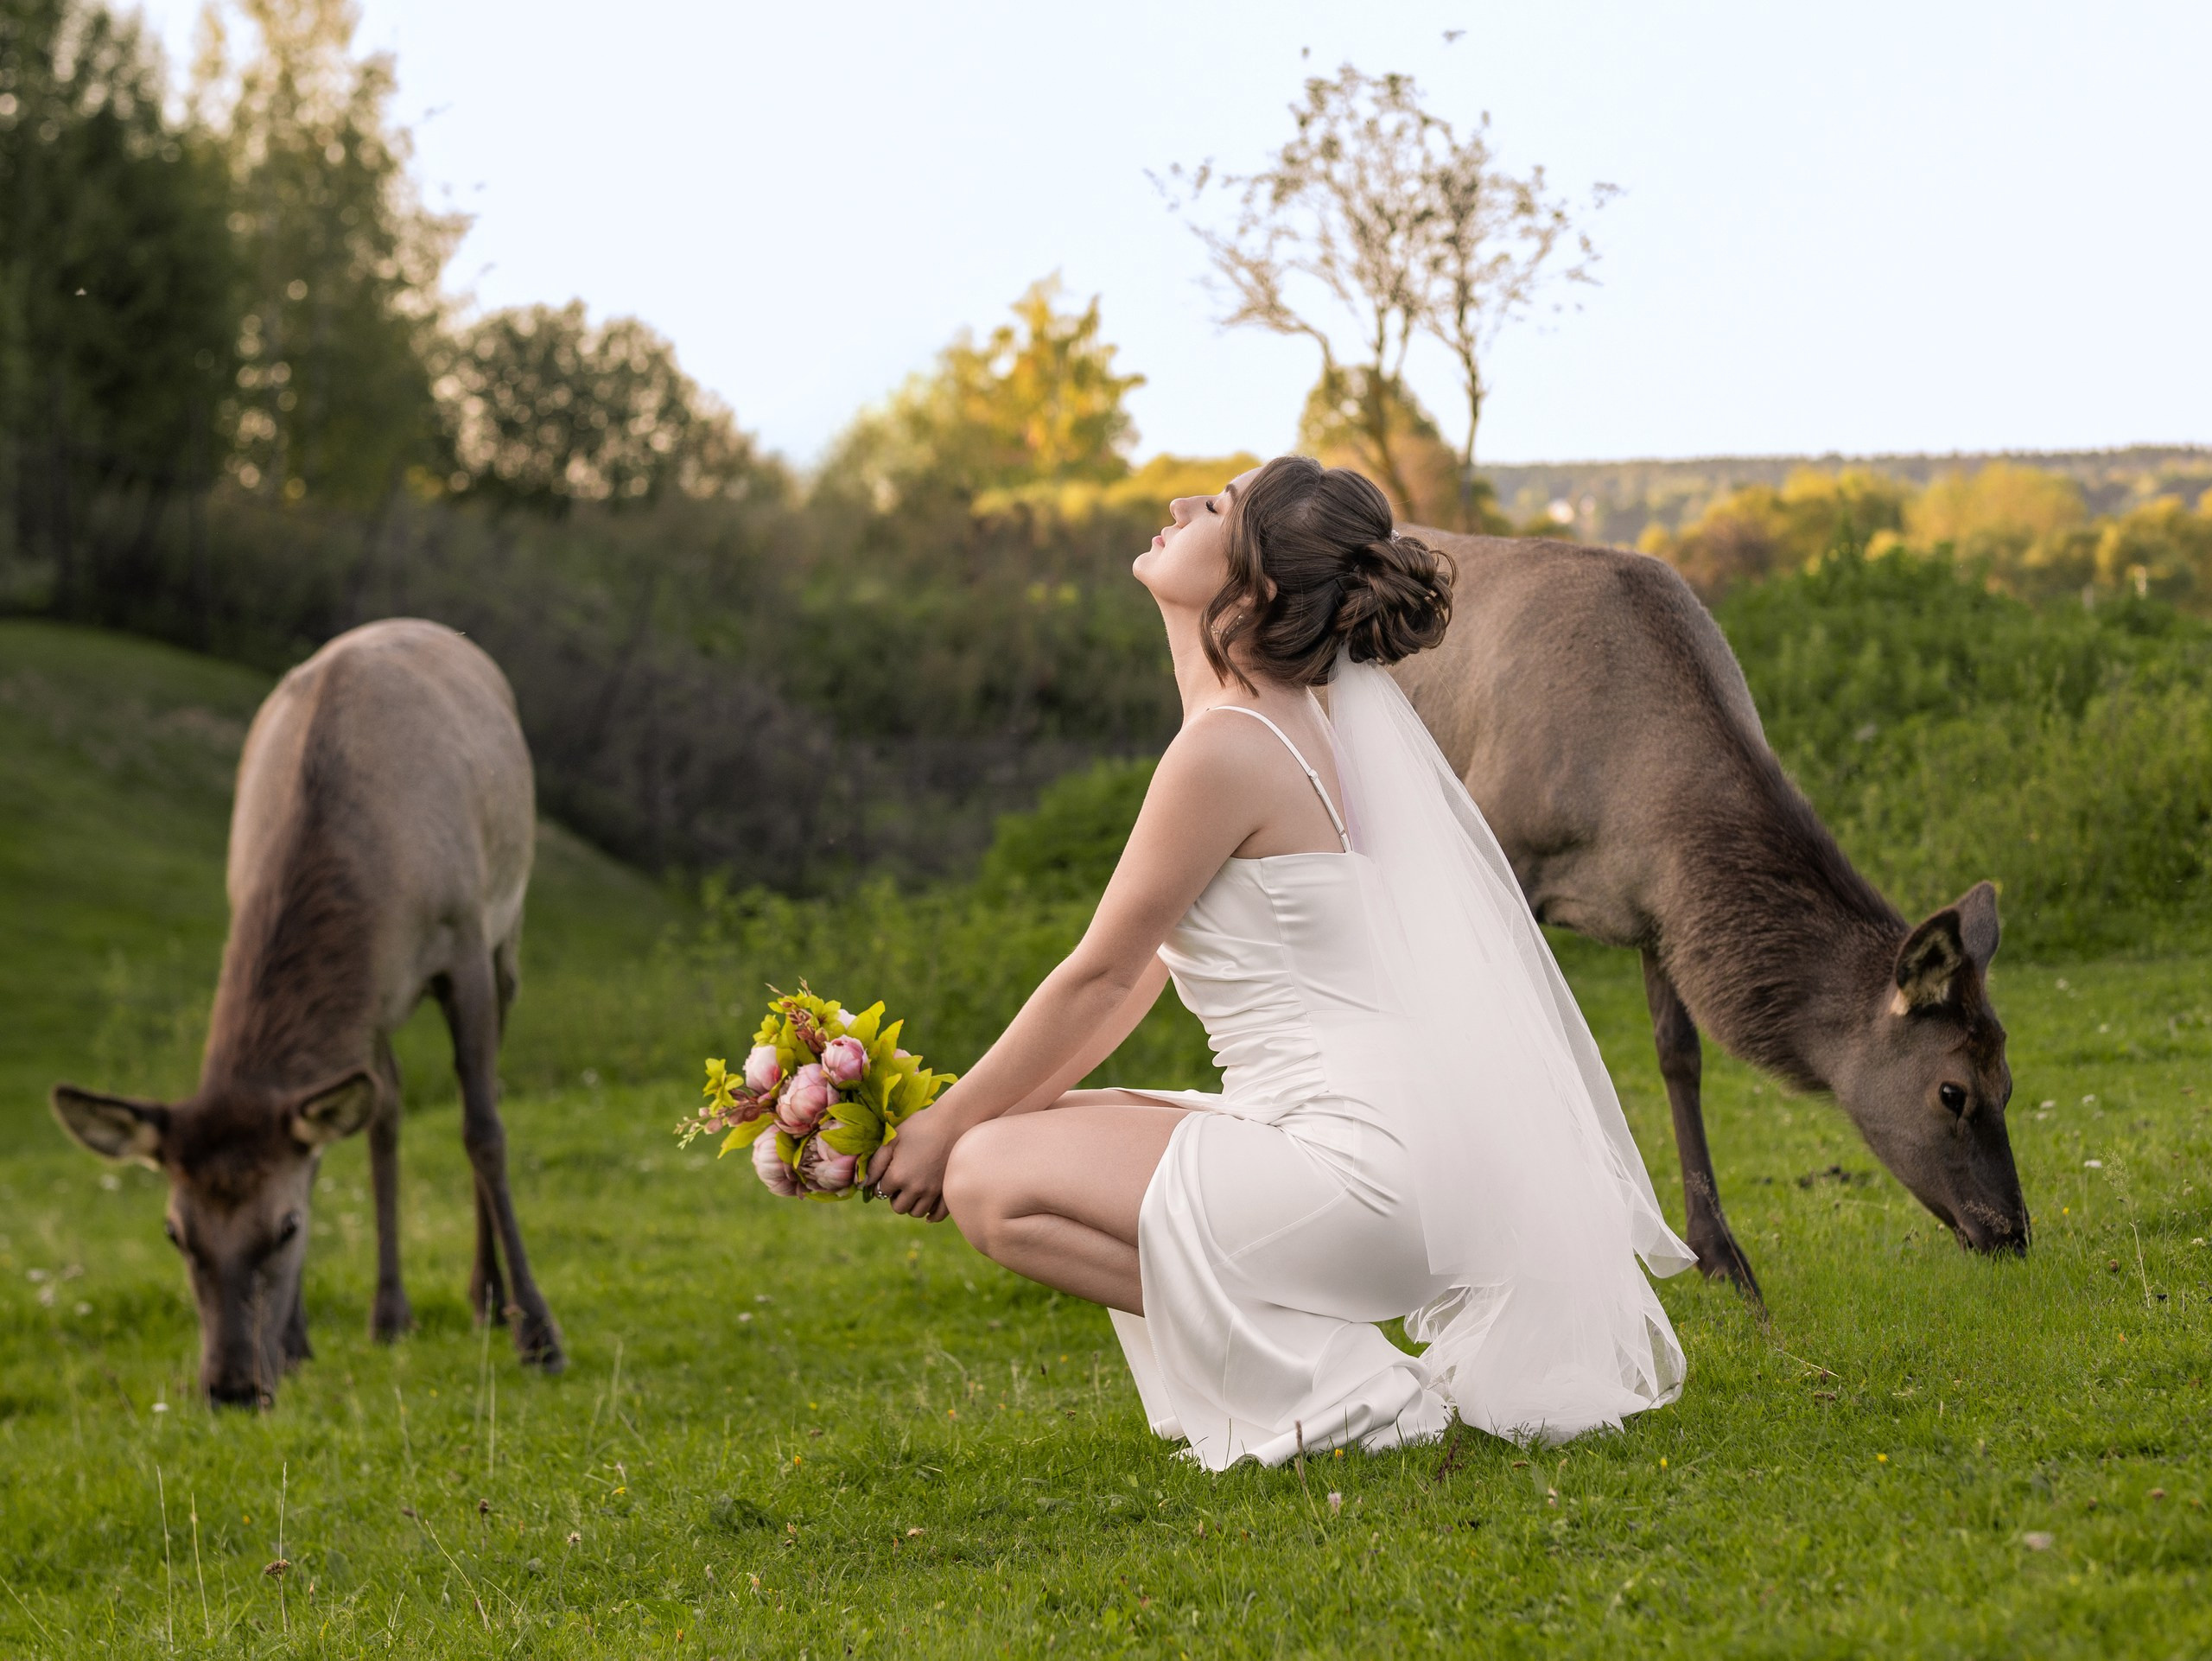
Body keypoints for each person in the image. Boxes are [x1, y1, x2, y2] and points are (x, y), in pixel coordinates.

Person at [868, 455, 1694, 1469]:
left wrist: (947, 1125)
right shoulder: (1294, 724)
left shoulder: (1227, 747)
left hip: (1362, 1175)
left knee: (987, 1172)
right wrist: (965, 1109)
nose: (1179, 506)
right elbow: (1139, 979)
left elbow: (1096, 972)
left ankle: (1344, 1390)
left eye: (1213, 508)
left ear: (1252, 588)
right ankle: (1338, 1369)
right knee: (1014, 1135)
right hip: (1393, 1160)